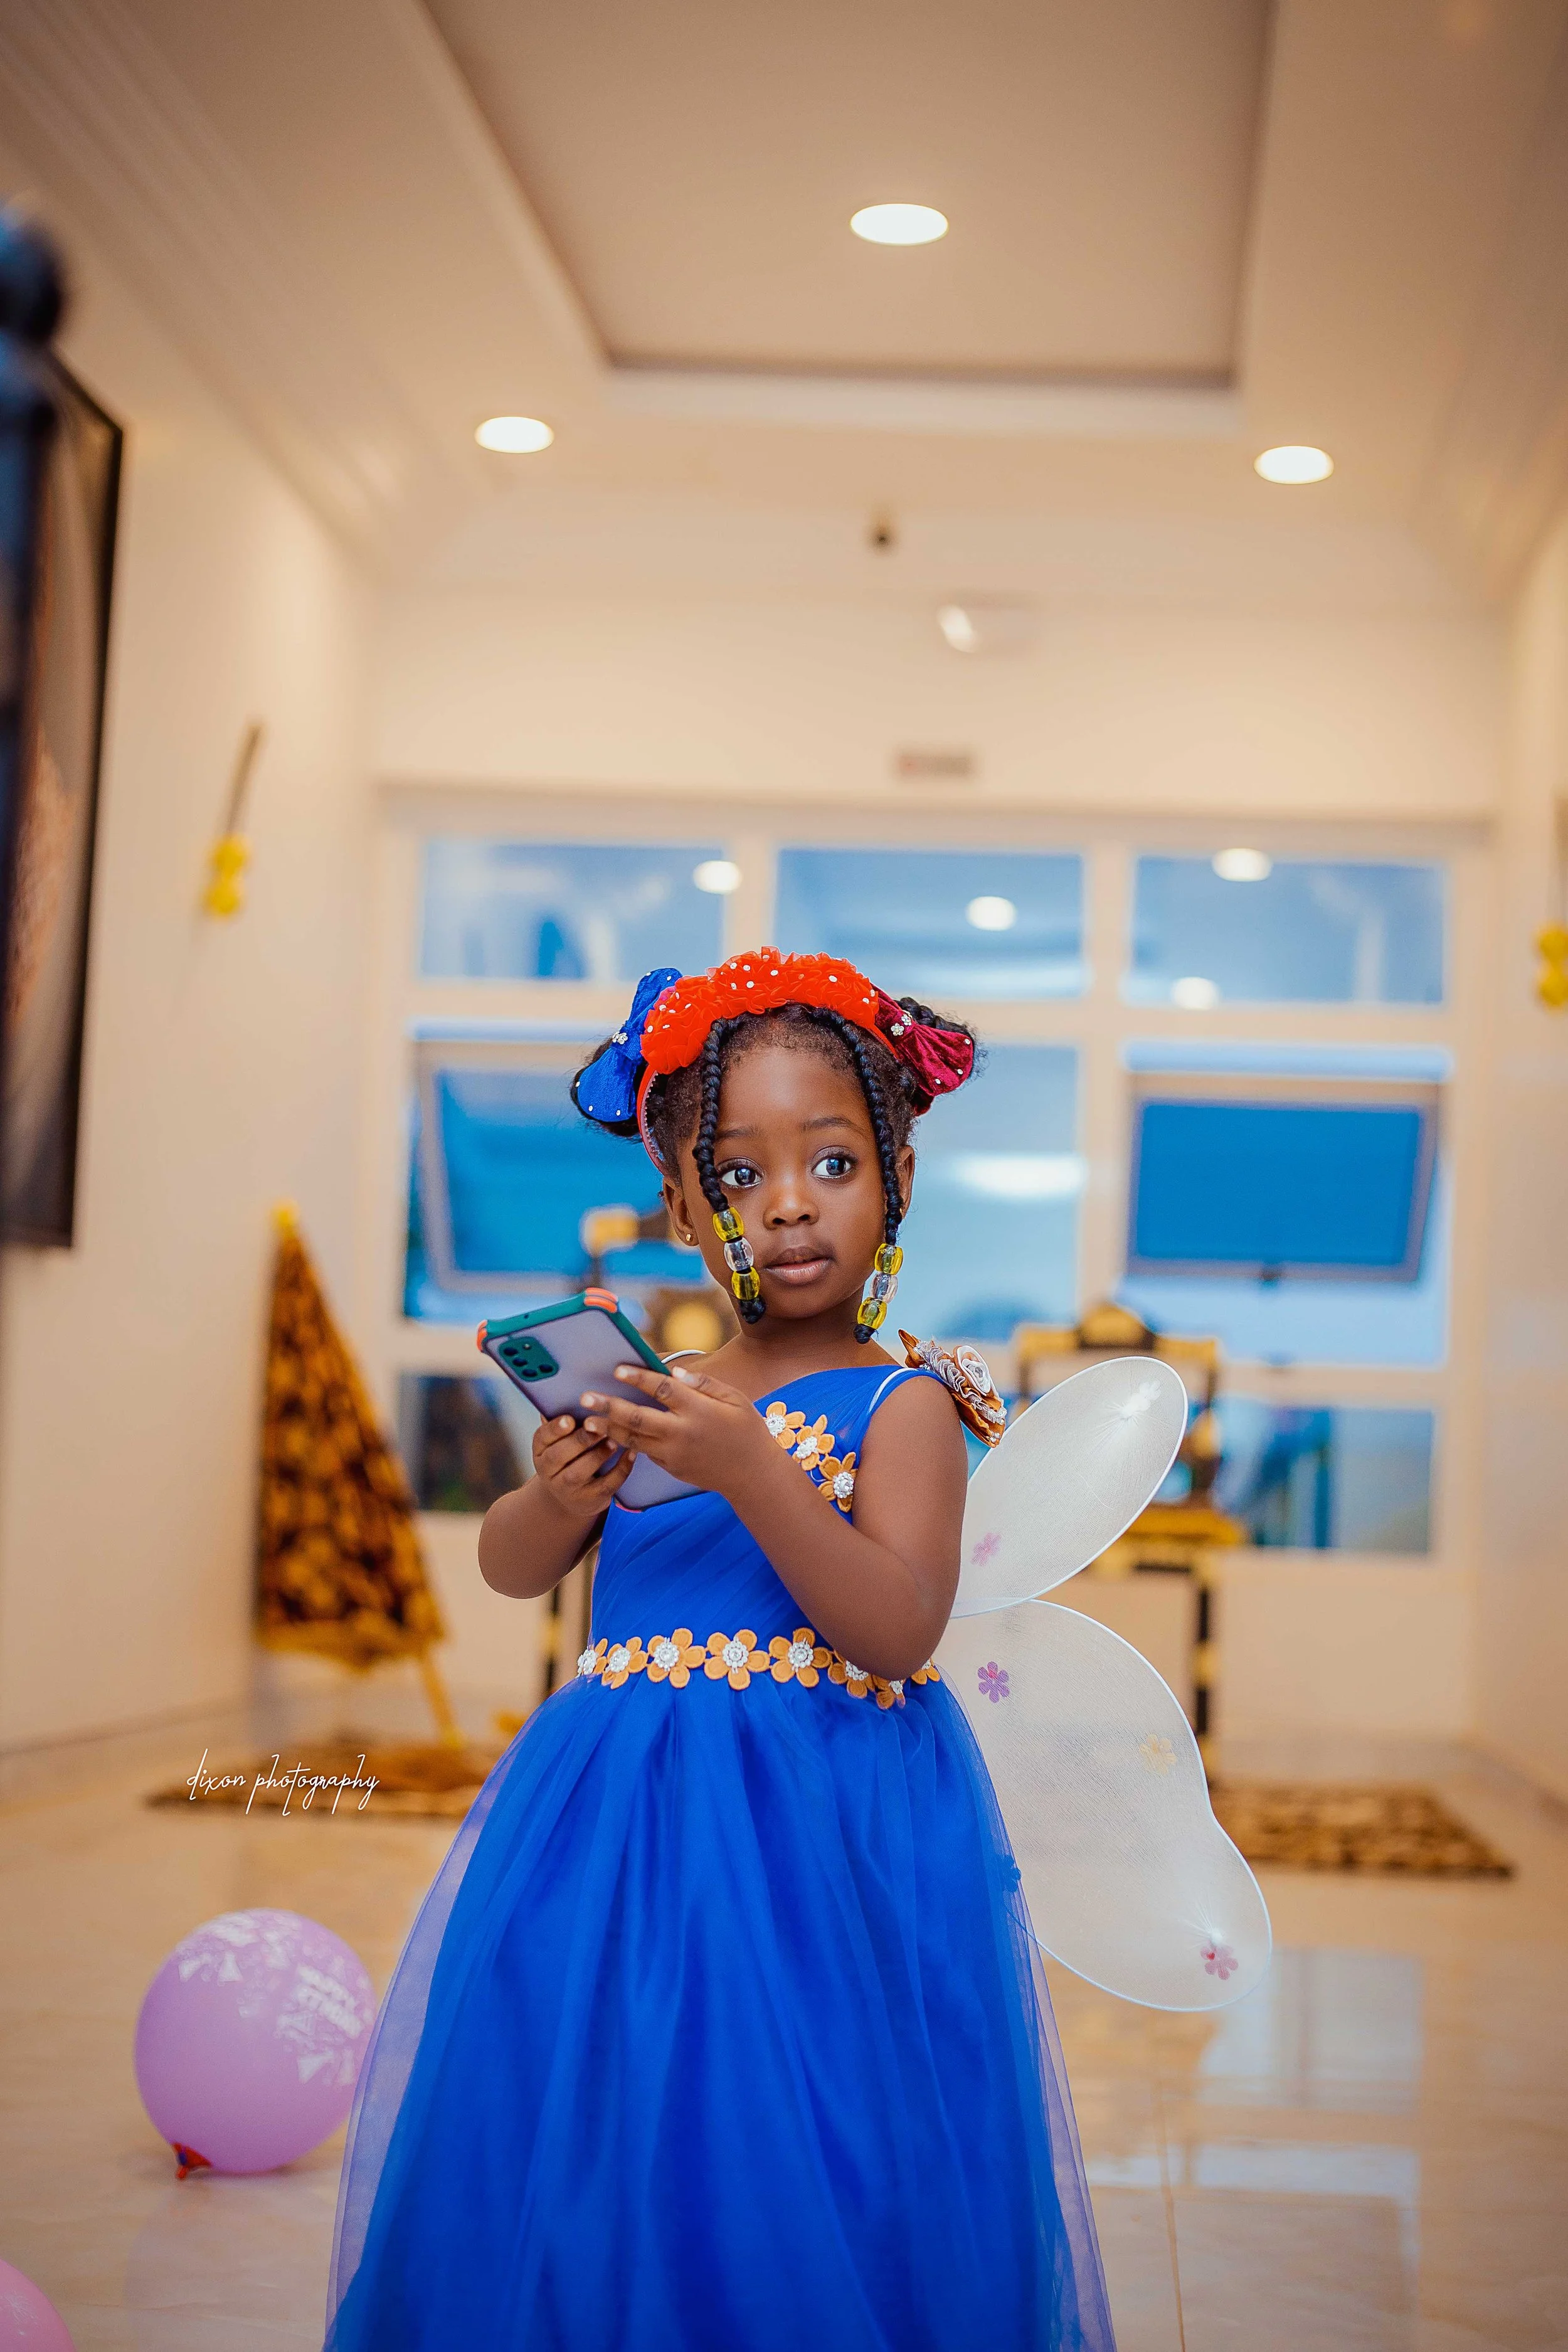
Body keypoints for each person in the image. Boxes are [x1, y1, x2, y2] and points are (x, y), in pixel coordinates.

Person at [324, 946, 1115, 2352]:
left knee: (796, 2120)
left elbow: (895, 1627)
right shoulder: (658, 1393)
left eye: (832, 1162)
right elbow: (513, 1568)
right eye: (739, 1175)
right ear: (683, 1207)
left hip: (817, 1833)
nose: (788, 1203)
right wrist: (558, 1493)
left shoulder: (906, 1406)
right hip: (612, 1827)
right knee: (602, 2105)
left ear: (897, 1180)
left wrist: (755, 1470)